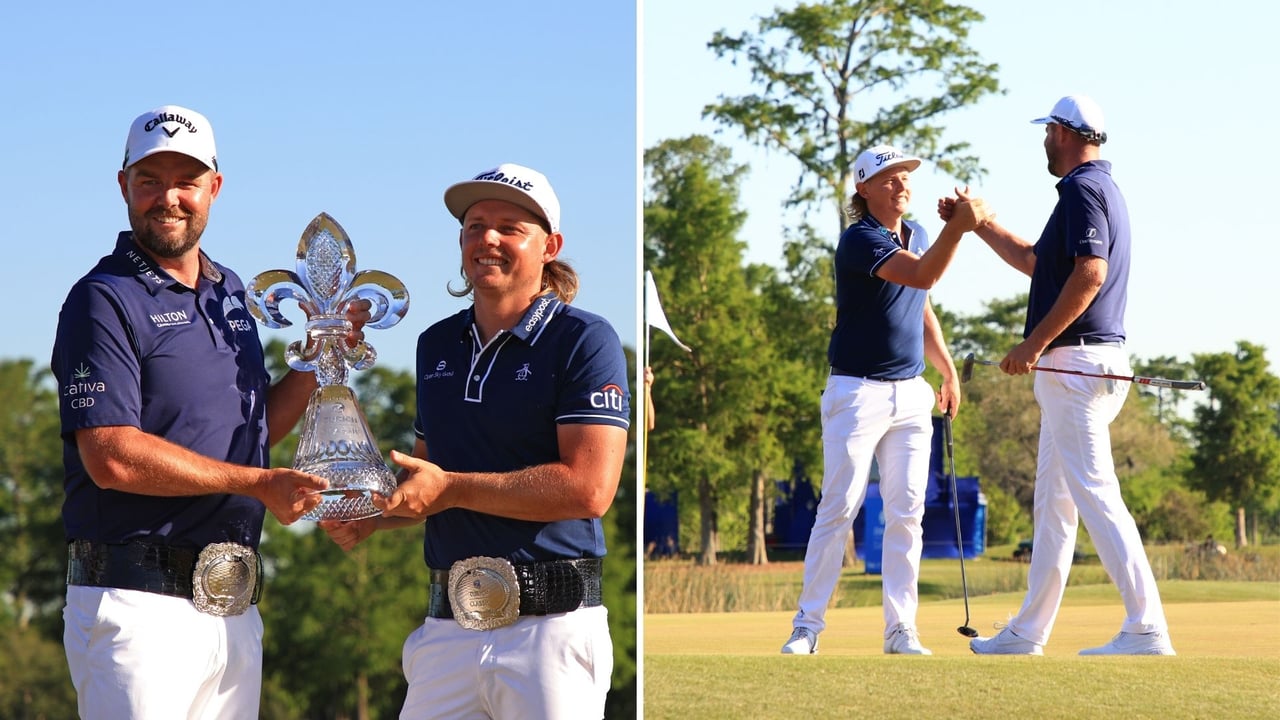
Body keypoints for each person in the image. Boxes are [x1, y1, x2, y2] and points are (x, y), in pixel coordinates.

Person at [51, 105, 369, 718]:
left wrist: (320, 356)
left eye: (186, 181)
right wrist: (261, 485)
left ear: (213, 189)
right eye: (149, 180)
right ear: (124, 186)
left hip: (233, 611)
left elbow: (254, 434)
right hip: (137, 605)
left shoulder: (230, 293)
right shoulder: (102, 299)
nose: (167, 198)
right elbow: (112, 456)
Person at [320, 163, 630, 719]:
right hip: (446, 632)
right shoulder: (435, 344)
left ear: (549, 247)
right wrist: (372, 513)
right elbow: (428, 483)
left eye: (509, 227)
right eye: (474, 225)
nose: (486, 238)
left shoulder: (585, 339)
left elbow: (589, 489)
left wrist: (450, 489)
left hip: (551, 633)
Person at [948, 95, 1175, 656]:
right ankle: (1027, 632)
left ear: (1064, 132)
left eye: (1047, 131)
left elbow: (1090, 273)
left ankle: (1147, 627)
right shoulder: (1095, 189)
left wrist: (1034, 342)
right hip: (1078, 365)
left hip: (1073, 364)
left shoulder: (1081, 189)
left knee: (1096, 495)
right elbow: (1035, 262)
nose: (1043, 141)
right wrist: (981, 224)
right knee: (1054, 504)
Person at [781, 145, 989, 656]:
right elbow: (923, 275)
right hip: (857, 391)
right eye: (889, 178)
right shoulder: (859, 240)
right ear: (864, 189)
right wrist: (959, 228)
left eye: (905, 176)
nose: (901, 184)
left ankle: (901, 630)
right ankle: (807, 626)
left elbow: (922, 305)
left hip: (911, 395)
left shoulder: (916, 234)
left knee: (907, 512)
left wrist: (947, 372)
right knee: (840, 507)